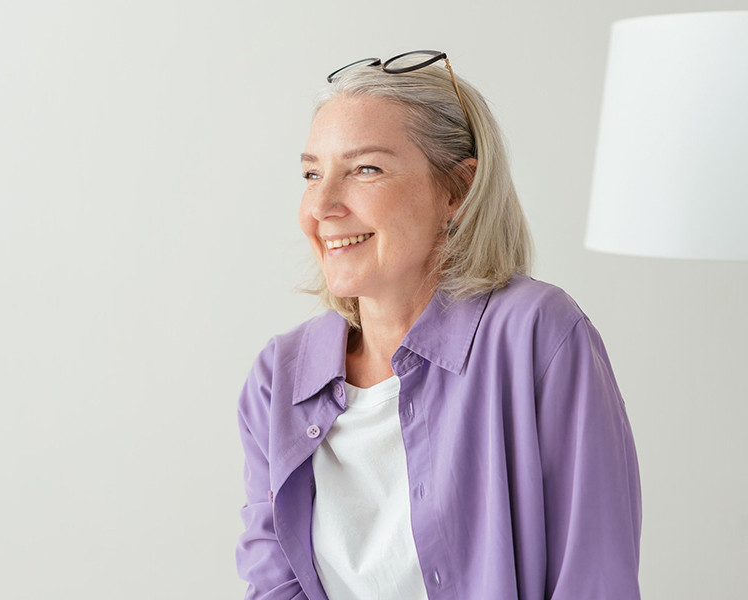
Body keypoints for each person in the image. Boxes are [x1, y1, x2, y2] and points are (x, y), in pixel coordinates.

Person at [236, 50, 641, 600]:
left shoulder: (536, 335)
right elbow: (273, 585)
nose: (322, 205)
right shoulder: (279, 377)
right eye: (312, 173)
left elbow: (594, 580)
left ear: (457, 191)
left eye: (365, 169)